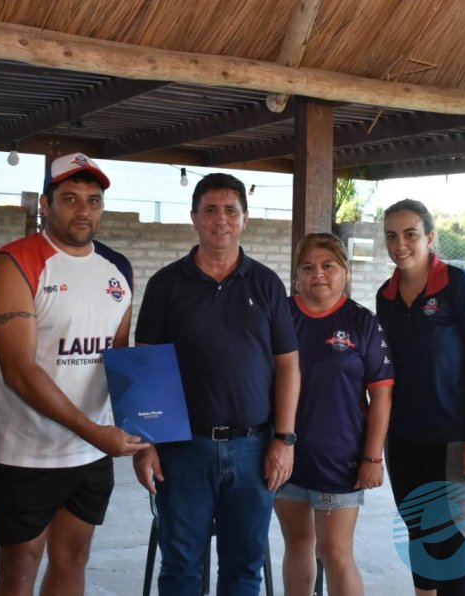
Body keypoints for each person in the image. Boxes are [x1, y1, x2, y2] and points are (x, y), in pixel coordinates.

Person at [0, 153, 147, 595]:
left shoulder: (118, 271)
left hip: (90, 455)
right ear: (45, 203)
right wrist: (94, 432)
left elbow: (118, 358)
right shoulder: (12, 264)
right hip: (25, 453)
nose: (83, 210)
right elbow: (18, 371)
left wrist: (150, 417)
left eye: (93, 200)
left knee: (73, 562)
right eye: (70, 198)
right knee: (19, 571)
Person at [132, 173, 301, 595]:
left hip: (253, 449)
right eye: (210, 210)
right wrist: (145, 445)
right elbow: (145, 369)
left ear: (245, 219)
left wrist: (284, 439)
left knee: (244, 568)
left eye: (230, 210)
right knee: (181, 567)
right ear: (194, 218)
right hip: (183, 450)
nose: (220, 219)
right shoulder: (166, 285)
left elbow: (288, 367)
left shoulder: (266, 284)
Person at [377, 199, 465, 596]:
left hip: (456, 439)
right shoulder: (386, 295)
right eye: (392, 236)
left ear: (430, 237)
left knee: (449, 543)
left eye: (410, 234)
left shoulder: (460, 286)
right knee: (418, 533)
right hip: (404, 439)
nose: (401, 245)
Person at [276, 233, 393, 596]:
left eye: (328, 266)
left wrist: (373, 456)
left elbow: (382, 397)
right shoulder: (280, 316)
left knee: (335, 552)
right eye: (308, 267)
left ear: (345, 272)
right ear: (297, 276)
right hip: (285, 455)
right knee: (297, 544)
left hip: (339, 458)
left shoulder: (362, 323)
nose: (318, 275)